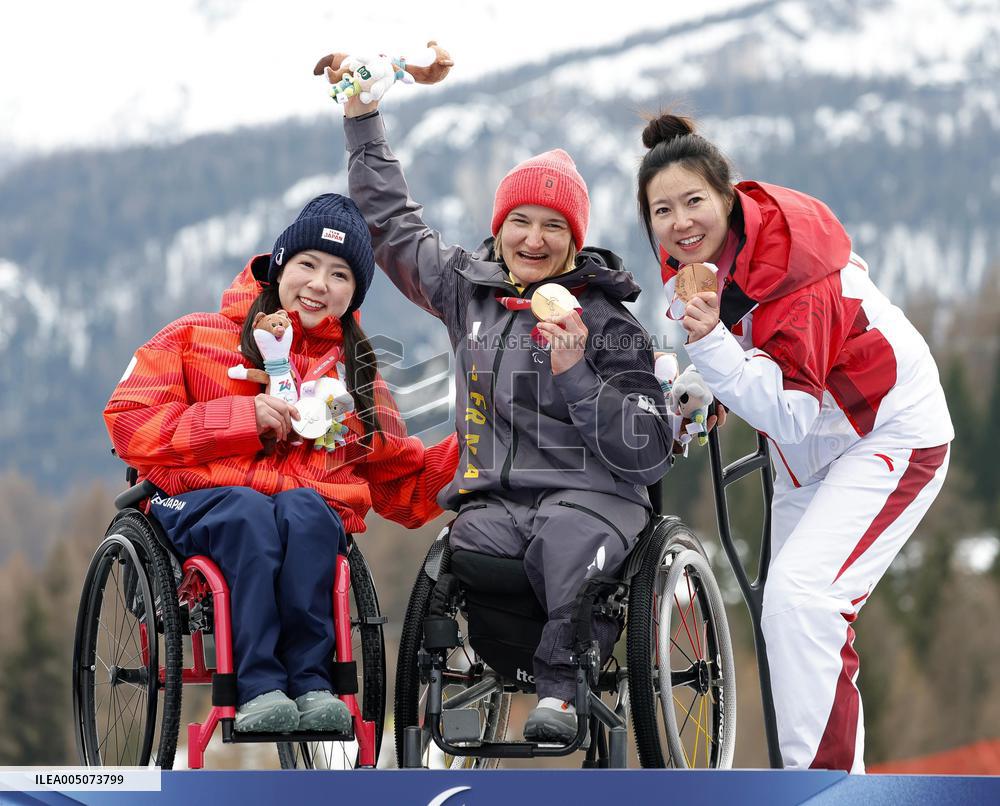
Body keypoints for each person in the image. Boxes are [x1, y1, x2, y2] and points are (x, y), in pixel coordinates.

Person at [340, 90, 677, 743]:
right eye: (520, 220)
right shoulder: (468, 291)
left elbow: (648, 450)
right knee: (467, 543)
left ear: (574, 242)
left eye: (554, 227)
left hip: (595, 499)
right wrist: (362, 121)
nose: (534, 239)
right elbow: (392, 226)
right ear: (500, 227)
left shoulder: (609, 323)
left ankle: (561, 694)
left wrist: (576, 373)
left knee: (566, 539)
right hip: (500, 498)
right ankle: (443, 721)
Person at [636, 112, 954, 772]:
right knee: (786, 614)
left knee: (804, 601)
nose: (680, 222)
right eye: (662, 210)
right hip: (814, 449)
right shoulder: (698, 256)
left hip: (887, 429)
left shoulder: (794, 275)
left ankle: (828, 790)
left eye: (694, 201)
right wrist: (706, 381)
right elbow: (750, 340)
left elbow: (788, 411)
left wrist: (711, 350)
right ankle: (810, 777)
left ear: (728, 197)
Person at [104, 193, 458, 733]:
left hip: (303, 516)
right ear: (278, 267)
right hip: (198, 503)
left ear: (353, 295)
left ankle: (313, 684)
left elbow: (402, 485)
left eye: (339, 275)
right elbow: (130, 421)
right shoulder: (194, 337)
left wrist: (481, 446)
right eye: (307, 265)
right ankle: (259, 687)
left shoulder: (358, 379)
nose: (319, 284)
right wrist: (240, 418)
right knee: (249, 513)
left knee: (309, 514)